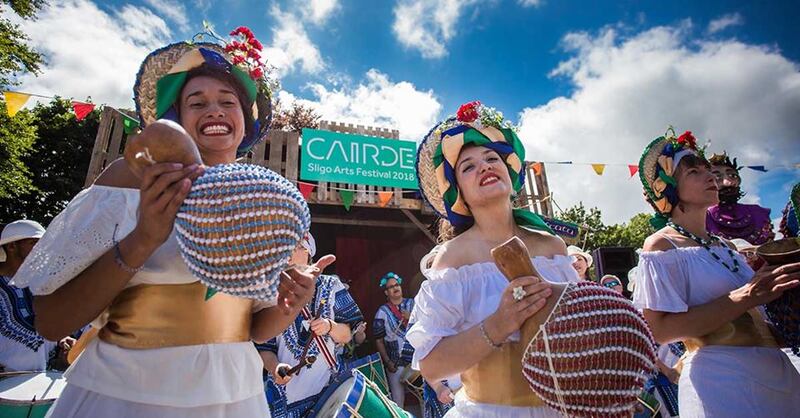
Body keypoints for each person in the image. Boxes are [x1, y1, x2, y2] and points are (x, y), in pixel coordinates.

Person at [10, 28, 328, 417]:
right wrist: (144, 238)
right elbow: (52, 321)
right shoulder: (128, 180)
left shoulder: (264, 201)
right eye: (197, 103)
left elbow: (251, 329)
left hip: (233, 398)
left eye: (227, 101)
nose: (215, 110)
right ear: (175, 118)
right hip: (124, 395)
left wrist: (292, 304)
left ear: (244, 122)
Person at [407, 101, 580, 417]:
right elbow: (431, 365)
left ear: (508, 171)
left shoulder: (552, 246)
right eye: (468, 166)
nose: (485, 166)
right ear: (458, 192)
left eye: (491, 158)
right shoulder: (453, 260)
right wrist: (499, 323)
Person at [634, 129, 800, 417]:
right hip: (721, 381)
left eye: (707, 169)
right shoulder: (662, 245)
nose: (710, 176)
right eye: (694, 172)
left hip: (776, 373)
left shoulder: (724, 246)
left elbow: (754, 319)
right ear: (669, 188)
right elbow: (658, 330)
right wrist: (746, 295)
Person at [257, 233, 364, 418]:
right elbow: (263, 347)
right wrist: (275, 368)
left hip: (327, 390)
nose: (289, 253)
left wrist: (329, 326)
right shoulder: (271, 292)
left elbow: (347, 335)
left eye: (297, 247)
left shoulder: (331, 285)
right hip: (285, 398)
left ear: (309, 252)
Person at [0, 220, 63, 372]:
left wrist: (62, 340)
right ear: (12, 246)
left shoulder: (43, 284)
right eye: (34, 243)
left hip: (41, 384)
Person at [706, 152, 774, 245]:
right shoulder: (701, 217)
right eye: (717, 177)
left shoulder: (758, 212)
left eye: (732, 175)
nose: (728, 183)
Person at [373, 271, 415, 409]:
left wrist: (411, 317)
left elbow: (428, 325)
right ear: (386, 292)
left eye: (397, 285)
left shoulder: (413, 305)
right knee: (397, 403)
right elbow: (379, 341)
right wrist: (388, 362)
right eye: (391, 287)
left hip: (417, 360)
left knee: (425, 396)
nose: (395, 288)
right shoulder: (382, 312)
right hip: (395, 363)